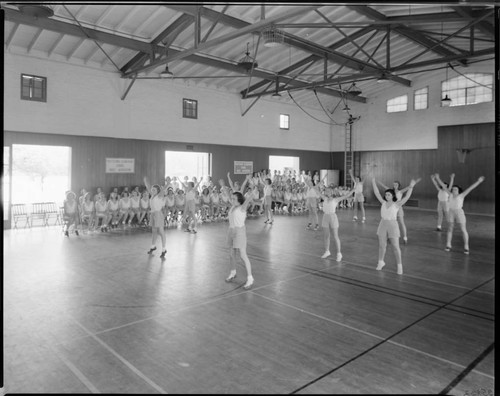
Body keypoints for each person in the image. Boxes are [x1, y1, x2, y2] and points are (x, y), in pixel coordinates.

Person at [372, 177, 418, 275]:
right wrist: (373, 182)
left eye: (389, 194)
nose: (387, 196)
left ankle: (399, 265)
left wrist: (411, 187)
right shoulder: (383, 202)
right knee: (381, 245)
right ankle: (381, 262)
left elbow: (407, 197)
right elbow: (376, 193)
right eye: (386, 194)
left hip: (393, 225)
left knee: (395, 246)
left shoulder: (397, 204)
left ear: (392, 196)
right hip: (382, 224)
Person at [434, 174, 485, 254]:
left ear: (458, 191)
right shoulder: (450, 194)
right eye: (453, 189)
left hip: (459, 212)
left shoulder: (461, 195)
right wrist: (438, 178)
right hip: (451, 211)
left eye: (455, 189)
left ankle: (466, 246)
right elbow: (443, 186)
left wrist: (478, 181)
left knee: (463, 229)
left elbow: (471, 188)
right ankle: (448, 244)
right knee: (450, 228)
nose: (453, 190)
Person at [225, 174, 254, 289]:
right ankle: (233, 272)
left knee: (243, 255)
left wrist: (249, 181)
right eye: (231, 198)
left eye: (233, 198)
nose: (231, 199)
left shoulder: (242, 207)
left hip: (240, 232)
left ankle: (250, 278)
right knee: (231, 254)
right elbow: (230, 194)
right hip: (231, 231)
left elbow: (250, 195)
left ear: (239, 199)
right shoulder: (232, 207)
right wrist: (224, 186)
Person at [377, 178, 422, 243]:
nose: (395, 186)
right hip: (390, 208)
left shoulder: (400, 191)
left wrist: (414, 183)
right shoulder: (390, 191)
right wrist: (378, 182)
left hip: (398, 207)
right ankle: (389, 236)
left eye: (396, 185)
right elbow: (384, 186)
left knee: (401, 222)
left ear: (398, 186)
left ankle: (405, 237)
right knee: (389, 223)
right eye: (394, 184)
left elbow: (409, 187)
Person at [319, 185, 355, 260]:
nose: (327, 192)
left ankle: (339, 253)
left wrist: (353, 190)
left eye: (328, 191)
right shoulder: (324, 198)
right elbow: (317, 191)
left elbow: (346, 196)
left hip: (333, 217)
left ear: (331, 192)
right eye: (326, 191)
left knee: (335, 236)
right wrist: (311, 186)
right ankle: (327, 251)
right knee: (326, 236)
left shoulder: (335, 199)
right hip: (325, 217)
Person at [143, 176, 167, 258]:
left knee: (161, 231)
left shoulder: (160, 196)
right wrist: (146, 182)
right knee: (154, 231)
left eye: (154, 190)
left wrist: (167, 183)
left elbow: (163, 190)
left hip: (158, 214)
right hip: (153, 214)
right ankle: (153, 246)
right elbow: (148, 187)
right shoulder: (152, 196)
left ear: (158, 191)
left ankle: (164, 249)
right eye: (152, 189)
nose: (152, 190)